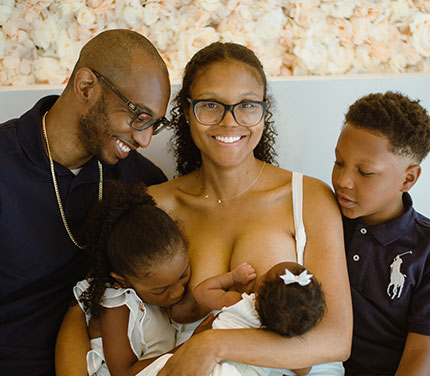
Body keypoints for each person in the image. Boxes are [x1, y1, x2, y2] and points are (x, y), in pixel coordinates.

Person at [57, 42, 352, 375]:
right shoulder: (155, 204)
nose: (230, 122)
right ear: (186, 111)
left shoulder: (308, 197)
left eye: (247, 105)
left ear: (264, 112)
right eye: (211, 105)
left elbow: (336, 339)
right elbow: (86, 308)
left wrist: (211, 344)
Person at [0, 29, 171, 376]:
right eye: (138, 115)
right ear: (86, 86)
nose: (144, 138)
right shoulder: (5, 160)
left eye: (155, 123)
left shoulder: (142, 183)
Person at [331, 91, 430, 375]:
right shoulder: (322, 215)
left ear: (408, 178)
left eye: (365, 172)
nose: (343, 180)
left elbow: (420, 357)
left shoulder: (425, 249)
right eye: (339, 162)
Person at [74, 180, 191, 376]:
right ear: (124, 281)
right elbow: (123, 373)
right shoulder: (117, 306)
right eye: (161, 290)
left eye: (184, 275)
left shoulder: (157, 283)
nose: (178, 291)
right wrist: (191, 346)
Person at [193, 261, 326, 376]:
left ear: (259, 290)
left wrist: (232, 278)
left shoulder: (238, 303)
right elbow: (304, 370)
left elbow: (201, 292)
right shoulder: (284, 343)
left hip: (208, 363)